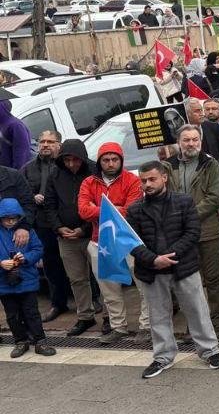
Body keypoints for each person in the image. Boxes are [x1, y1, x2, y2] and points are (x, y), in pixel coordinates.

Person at [129, 161, 219, 378]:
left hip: (184, 267)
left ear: (164, 178)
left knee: (197, 310)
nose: (147, 184)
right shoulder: (135, 209)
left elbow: (192, 233)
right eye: (143, 181)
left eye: (152, 179)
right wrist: (154, 260)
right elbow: (132, 242)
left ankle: (210, 351)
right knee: (158, 316)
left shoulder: (184, 201)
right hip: (152, 270)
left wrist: (169, 256)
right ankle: (163, 356)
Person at [77, 142, 147, 341]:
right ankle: (118, 327)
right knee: (109, 290)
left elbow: (131, 209)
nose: (110, 163)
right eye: (106, 160)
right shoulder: (88, 182)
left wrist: (97, 208)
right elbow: (83, 211)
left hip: (128, 240)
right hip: (99, 241)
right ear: (99, 161)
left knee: (144, 285)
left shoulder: (132, 180)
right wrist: (114, 208)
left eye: (114, 159)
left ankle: (147, 326)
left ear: (121, 160)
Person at [169, 125, 219, 339]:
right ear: (179, 142)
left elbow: (214, 198)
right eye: (186, 140)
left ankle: (218, 321)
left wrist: (188, 216)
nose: (191, 144)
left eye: (195, 139)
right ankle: (195, 322)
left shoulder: (211, 164)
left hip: (208, 232)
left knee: (213, 279)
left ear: (201, 141)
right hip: (180, 235)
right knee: (188, 282)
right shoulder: (168, 165)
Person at [49, 138, 96, 334]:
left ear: (82, 158)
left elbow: (101, 204)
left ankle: (110, 317)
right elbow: (49, 205)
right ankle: (85, 316)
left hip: (93, 233)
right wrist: (59, 227)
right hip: (66, 236)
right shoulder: (55, 174)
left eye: (75, 160)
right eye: (67, 160)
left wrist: (84, 229)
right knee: (77, 279)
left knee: (104, 278)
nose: (71, 164)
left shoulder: (94, 171)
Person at [24, 130, 70, 322]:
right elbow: (22, 191)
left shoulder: (67, 164)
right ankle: (58, 303)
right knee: (51, 264)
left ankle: (92, 300)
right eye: (42, 141)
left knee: (78, 261)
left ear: (59, 144)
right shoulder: (28, 168)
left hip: (66, 222)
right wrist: (32, 196)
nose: (45, 145)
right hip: (42, 223)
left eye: (50, 142)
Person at [1, 197, 54, 357]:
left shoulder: (28, 231)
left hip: (26, 279)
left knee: (32, 312)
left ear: (19, 217)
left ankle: (40, 341)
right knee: (12, 315)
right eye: (6, 219)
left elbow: (38, 249)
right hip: (4, 282)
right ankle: (20, 341)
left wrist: (26, 258)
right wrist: (1, 263)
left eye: (14, 218)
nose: (11, 222)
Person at [0, 99, 32, 169]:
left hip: (12, 173)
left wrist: (16, 173)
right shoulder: (2, 125)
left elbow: (21, 155)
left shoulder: (16, 126)